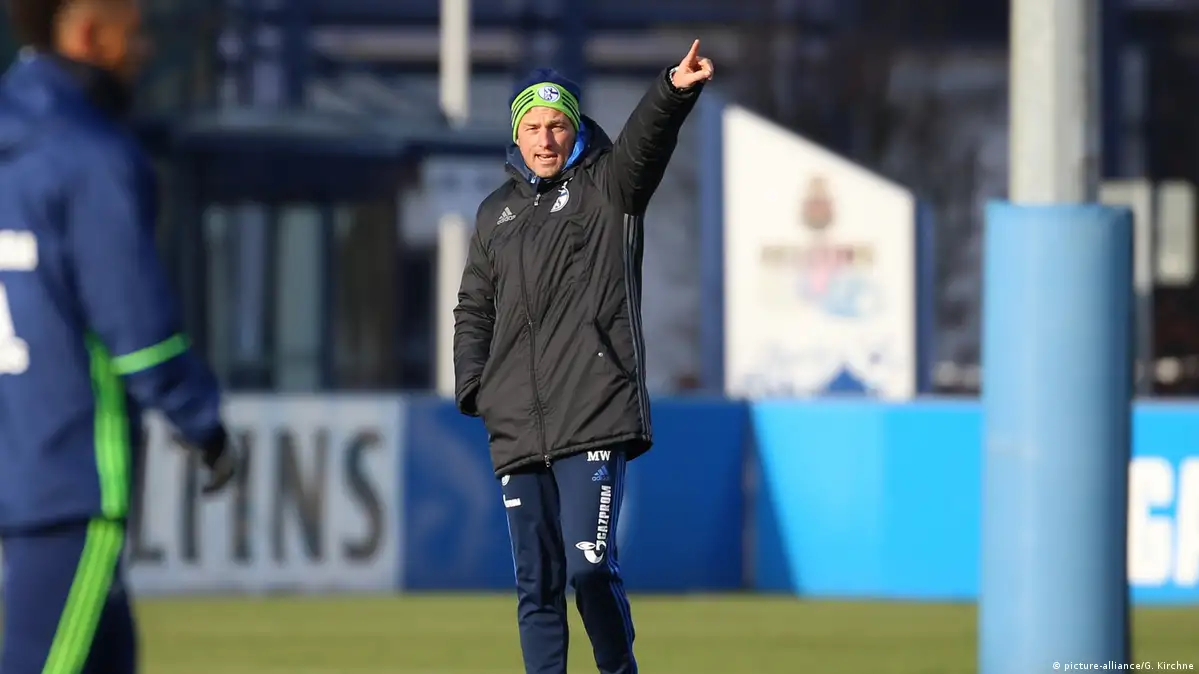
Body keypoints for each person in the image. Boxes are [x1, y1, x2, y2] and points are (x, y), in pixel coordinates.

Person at [453, 39, 714, 674]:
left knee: (590, 569)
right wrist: (478, 388)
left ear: (575, 129)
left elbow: (645, 145)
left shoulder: (608, 188)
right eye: (533, 128)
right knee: (536, 585)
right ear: (517, 134)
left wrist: (672, 91)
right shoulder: (494, 214)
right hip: (517, 426)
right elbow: (473, 309)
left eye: (557, 125)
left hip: (593, 413)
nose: (545, 140)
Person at [0, 0, 238, 671]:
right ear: (86, 33)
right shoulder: (90, 155)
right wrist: (204, 424)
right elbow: (137, 331)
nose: (144, 51)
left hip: (18, 459)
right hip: (72, 470)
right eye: (132, 34)